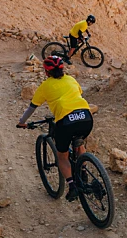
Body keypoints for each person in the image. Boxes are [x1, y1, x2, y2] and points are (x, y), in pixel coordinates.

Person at [16, 56, 93, 202]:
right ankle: (83, 172)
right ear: (62, 69)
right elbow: (78, 94)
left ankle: (72, 186)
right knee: (79, 143)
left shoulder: (45, 86)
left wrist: (22, 122)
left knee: (62, 156)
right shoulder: (71, 79)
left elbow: (32, 108)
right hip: (86, 117)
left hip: (66, 121)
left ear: (46, 72)